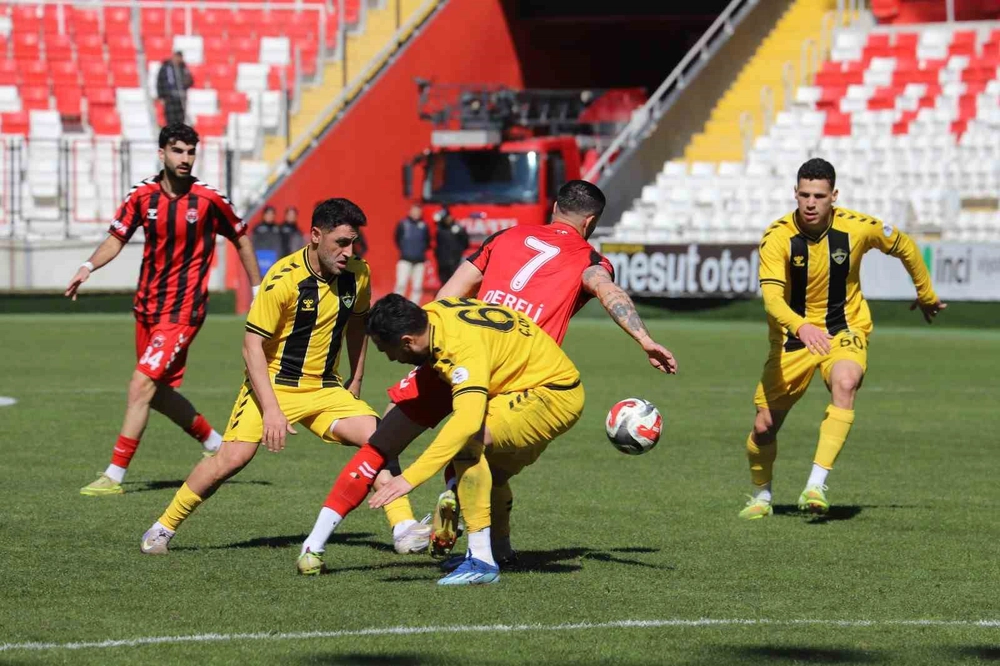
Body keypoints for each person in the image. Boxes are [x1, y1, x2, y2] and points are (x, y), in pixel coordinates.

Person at [294, 180, 676, 574]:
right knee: (482, 456)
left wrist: (426, 347)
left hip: (451, 345)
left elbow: (450, 292)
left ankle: (331, 541)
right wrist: (644, 339)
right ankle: (462, 511)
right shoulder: (589, 258)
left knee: (383, 442)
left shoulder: (506, 236)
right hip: (515, 374)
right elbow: (609, 291)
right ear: (591, 222)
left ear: (554, 208)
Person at [139, 198, 430, 555]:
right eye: (341, 243)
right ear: (316, 235)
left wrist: (356, 378)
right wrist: (272, 410)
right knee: (231, 459)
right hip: (273, 384)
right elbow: (251, 347)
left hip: (325, 388)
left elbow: (358, 324)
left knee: (380, 438)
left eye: (353, 242)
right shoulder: (283, 279)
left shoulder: (358, 274)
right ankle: (162, 528)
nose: (348, 252)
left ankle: (403, 528)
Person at [739, 158, 946, 520]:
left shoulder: (858, 227)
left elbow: (905, 246)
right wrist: (802, 326)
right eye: (804, 195)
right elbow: (772, 300)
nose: (810, 203)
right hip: (793, 339)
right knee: (764, 427)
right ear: (795, 193)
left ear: (833, 195)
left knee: (846, 382)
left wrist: (926, 293)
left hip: (844, 329)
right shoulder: (777, 237)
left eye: (819, 196)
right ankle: (761, 495)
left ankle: (815, 485)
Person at [68, 123, 262, 496]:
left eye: (191, 152)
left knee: (140, 384)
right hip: (147, 308)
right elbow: (116, 238)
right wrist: (88, 267)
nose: (185, 158)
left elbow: (240, 237)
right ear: (162, 153)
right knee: (154, 392)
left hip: (183, 311)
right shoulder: (142, 196)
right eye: (177, 150)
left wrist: (257, 290)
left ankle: (114, 475)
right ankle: (215, 442)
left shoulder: (209, 200)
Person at [367, 294, 586, 585]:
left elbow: (466, 422)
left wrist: (409, 478)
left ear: (407, 341)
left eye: (388, 350)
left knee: (468, 443)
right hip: (528, 387)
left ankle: (481, 559)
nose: (391, 359)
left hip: (549, 394)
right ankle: (499, 550)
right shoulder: (435, 313)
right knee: (491, 475)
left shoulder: (460, 349)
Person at [394, 205, 430, 303]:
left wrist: (420, 251)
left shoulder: (424, 226)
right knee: (401, 284)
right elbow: (397, 238)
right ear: (410, 212)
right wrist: (405, 250)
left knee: (417, 287)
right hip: (405, 259)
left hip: (419, 261)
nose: (416, 214)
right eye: (414, 211)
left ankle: (414, 306)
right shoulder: (403, 224)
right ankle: (396, 305)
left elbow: (427, 241)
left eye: (418, 212)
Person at [156, 51, 193, 127]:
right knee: (170, 119)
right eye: (177, 57)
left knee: (180, 120)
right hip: (169, 97)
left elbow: (190, 81)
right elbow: (160, 81)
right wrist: (161, 96)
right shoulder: (165, 67)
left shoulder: (183, 68)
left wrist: (187, 81)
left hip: (180, 98)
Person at [433, 207, 469, 285]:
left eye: (449, 217)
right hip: (443, 262)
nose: (448, 219)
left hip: (455, 261)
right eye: (446, 218)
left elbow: (465, 243)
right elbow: (437, 244)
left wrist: (458, 253)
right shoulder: (440, 229)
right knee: (443, 282)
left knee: (454, 282)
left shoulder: (458, 229)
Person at [251, 205, 283, 275]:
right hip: (261, 260)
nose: (270, 216)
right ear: (264, 215)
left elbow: (280, 246)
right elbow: (252, 244)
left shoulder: (277, 229)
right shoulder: (258, 228)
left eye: (272, 214)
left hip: (274, 260)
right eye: (268, 214)